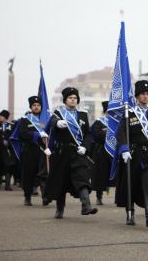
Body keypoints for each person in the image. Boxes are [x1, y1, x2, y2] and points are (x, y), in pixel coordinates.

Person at [44, 87, 98, 218]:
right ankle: (59, 209)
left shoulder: (83, 115)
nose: (73, 100)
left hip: (77, 152)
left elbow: (88, 135)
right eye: (70, 98)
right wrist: (57, 123)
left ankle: (86, 206)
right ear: (65, 100)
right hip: (62, 152)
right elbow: (50, 122)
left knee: (82, 177)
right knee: (60, 182)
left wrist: (85, 146)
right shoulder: (58, 113)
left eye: (75, 98)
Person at [115, 80, 148, 227]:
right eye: (142, 94)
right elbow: (121, 133)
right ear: (137, 96)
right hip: (133, 155)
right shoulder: (129, 113)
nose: (145, 97)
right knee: (131, 185)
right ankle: (130, 212)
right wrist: (124, 149)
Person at [17, 96, 50, 206]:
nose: (36, 107)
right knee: (28, 175)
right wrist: (36, 134)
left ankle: (45, 197)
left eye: (38, 105)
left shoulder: (46, 120)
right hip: (29, 151)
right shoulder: (25, 120)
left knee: (44, 175)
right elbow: (22, 134)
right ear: (31, 107)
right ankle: (27, 197)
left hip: (43, 151)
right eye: (34, 105)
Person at [0, 110, 16, 190]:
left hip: (8, 150)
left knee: (7, 167)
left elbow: (13, 136)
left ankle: (7, 185)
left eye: (1, 116)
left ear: (5, 117)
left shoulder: (12, 125)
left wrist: (8, 141)